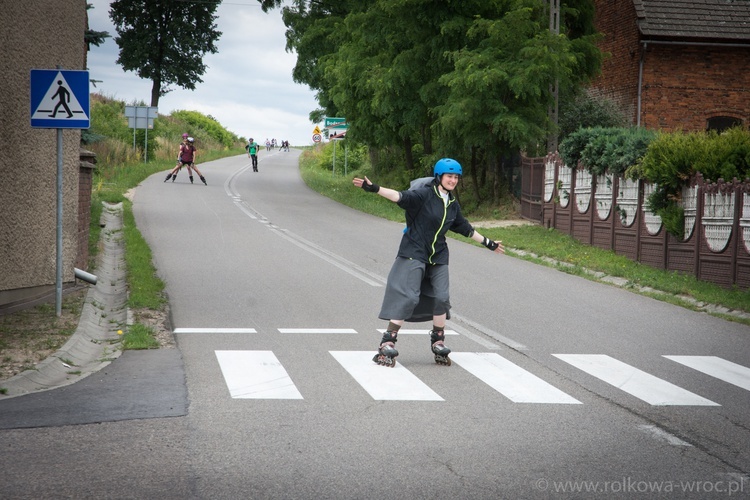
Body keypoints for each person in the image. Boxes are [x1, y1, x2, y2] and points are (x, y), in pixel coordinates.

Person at [352, 158, 504, 367]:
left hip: (438, 255)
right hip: (414, 250)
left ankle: (438, 342)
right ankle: (387, 342)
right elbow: (399, 196)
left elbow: (465, 228)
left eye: (456, 177)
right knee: (409, 296)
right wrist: (375, 188)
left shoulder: (451, 203)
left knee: (441, 297)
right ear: (439, 177)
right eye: (449, 176)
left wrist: (489, 243)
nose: (453, 180)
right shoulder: (424, 195)